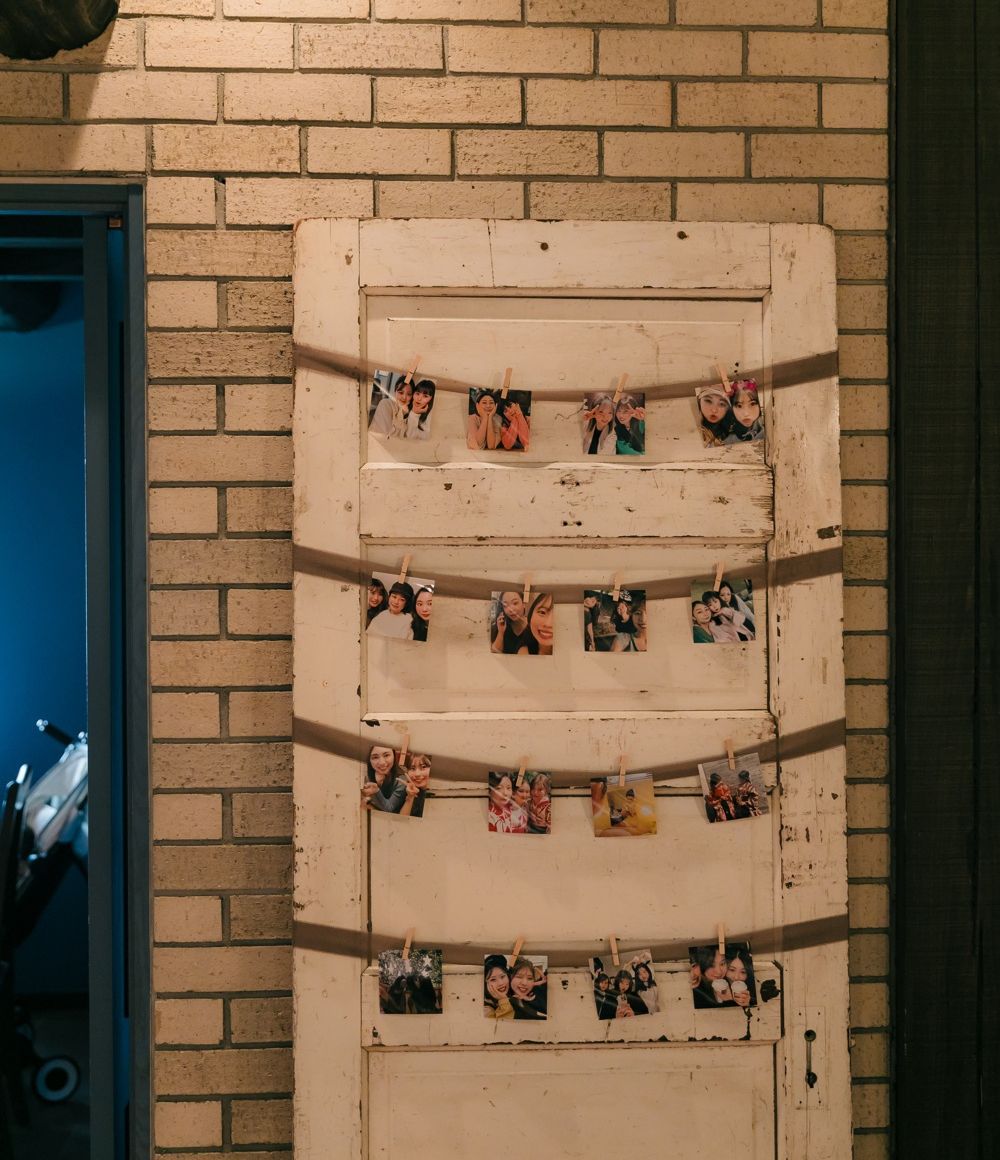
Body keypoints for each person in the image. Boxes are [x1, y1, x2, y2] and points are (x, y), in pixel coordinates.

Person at [361, 744, 407, 813]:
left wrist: (376, 790)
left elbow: (389, 808)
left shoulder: (402, 779)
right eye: (375, 757)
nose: (382, 762)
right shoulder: (365, 774)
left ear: (394, 755)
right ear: (369, 760)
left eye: (386, 755)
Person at [491, 590, 536, 654]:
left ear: (524, 604)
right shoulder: (500, 625)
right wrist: (501, 632)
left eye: (515, 603)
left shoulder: (534, 626)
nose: (510, 609)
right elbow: (495, 653)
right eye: (505, 605)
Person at [399, 752, 431, 819]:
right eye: (412, 768)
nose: (417, 774)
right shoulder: (406, 790)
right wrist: (410, 797)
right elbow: (401, 820)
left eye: (423, 767)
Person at [484, 955, 514, 1019]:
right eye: (493, 979)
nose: (501, 983)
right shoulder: (486, 1011)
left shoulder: (516, 995)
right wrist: (503, 1001)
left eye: (502, 976)